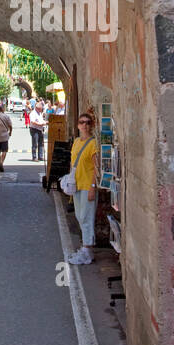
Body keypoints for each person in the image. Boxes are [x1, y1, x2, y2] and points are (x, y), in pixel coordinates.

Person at [66, 111, 100, 265]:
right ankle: (86, 249)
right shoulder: (77, 142)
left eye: (88, 122)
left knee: (86, 218)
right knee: (80, 217)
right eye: (82, 122)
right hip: (77, 185)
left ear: (91, 125)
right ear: (78, 125)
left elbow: (96, 167)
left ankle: (87, 250)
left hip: (87, 185)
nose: (84, 125)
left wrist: (93, 186)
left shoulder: (93, 144)